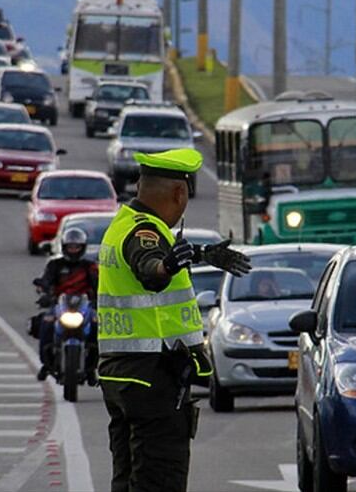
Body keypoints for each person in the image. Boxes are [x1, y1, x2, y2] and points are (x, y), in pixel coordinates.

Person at [97, 148, 251, 492]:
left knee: (127, 479)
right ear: (179, 193)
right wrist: (165, 267)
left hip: (121, 375)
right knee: (159, 480)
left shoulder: (121, 224)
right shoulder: (145, 232)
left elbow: (149, 259)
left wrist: (199, 254)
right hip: (151, 377)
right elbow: (149, 267)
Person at [32, 227, 99, 382]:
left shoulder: (89, 266)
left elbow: (98, 285)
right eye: (70, 247)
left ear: (82, 248)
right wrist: (45, 292)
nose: (73, 250)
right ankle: (46, 364)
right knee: (46, 324)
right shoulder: (55, 265)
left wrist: (99, 299)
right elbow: (46, 281)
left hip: (84, 305)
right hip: (60, 304)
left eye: (76, 247)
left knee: (97, 326)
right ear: (64, 247)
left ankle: (92, 367)